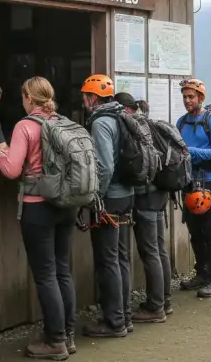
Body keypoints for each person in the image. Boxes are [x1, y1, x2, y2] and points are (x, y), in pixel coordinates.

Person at [0, 76, 77, 360]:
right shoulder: (62, 123)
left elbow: (12, 170)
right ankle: (68, 334)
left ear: (29, 98)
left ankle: (55, 342)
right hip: (66, 205)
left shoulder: (25, 126)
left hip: (37, 207)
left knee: (45, 275)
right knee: (63, 270)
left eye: (23, 97)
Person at [81, 75, 134, 337]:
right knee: (121, 257)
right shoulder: (121, 116)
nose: (83, 101)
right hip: (126, 196)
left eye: (84, 97)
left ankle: (114, 322)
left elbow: (104, 167)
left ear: (92, 98)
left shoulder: (101, 122)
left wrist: (95, 198)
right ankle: (124, 316)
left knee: (107, 259)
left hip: (109, 199)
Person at [115, 92, 173, 323]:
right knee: (159, 249)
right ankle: (165, 301)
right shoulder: (149, 123)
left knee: (150, 251)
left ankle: (155, 307)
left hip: (145, 196)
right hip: (160, 193)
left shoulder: (132, 127)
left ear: (123, 109)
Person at [175, 78, 211, 298]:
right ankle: (201, 273)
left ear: (201, 98)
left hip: (208, 182)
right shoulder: (181, 122)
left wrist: (192, 152)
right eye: (185, 97)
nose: (187, 101)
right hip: (188, 182)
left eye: (191, 97)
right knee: (195, 231)